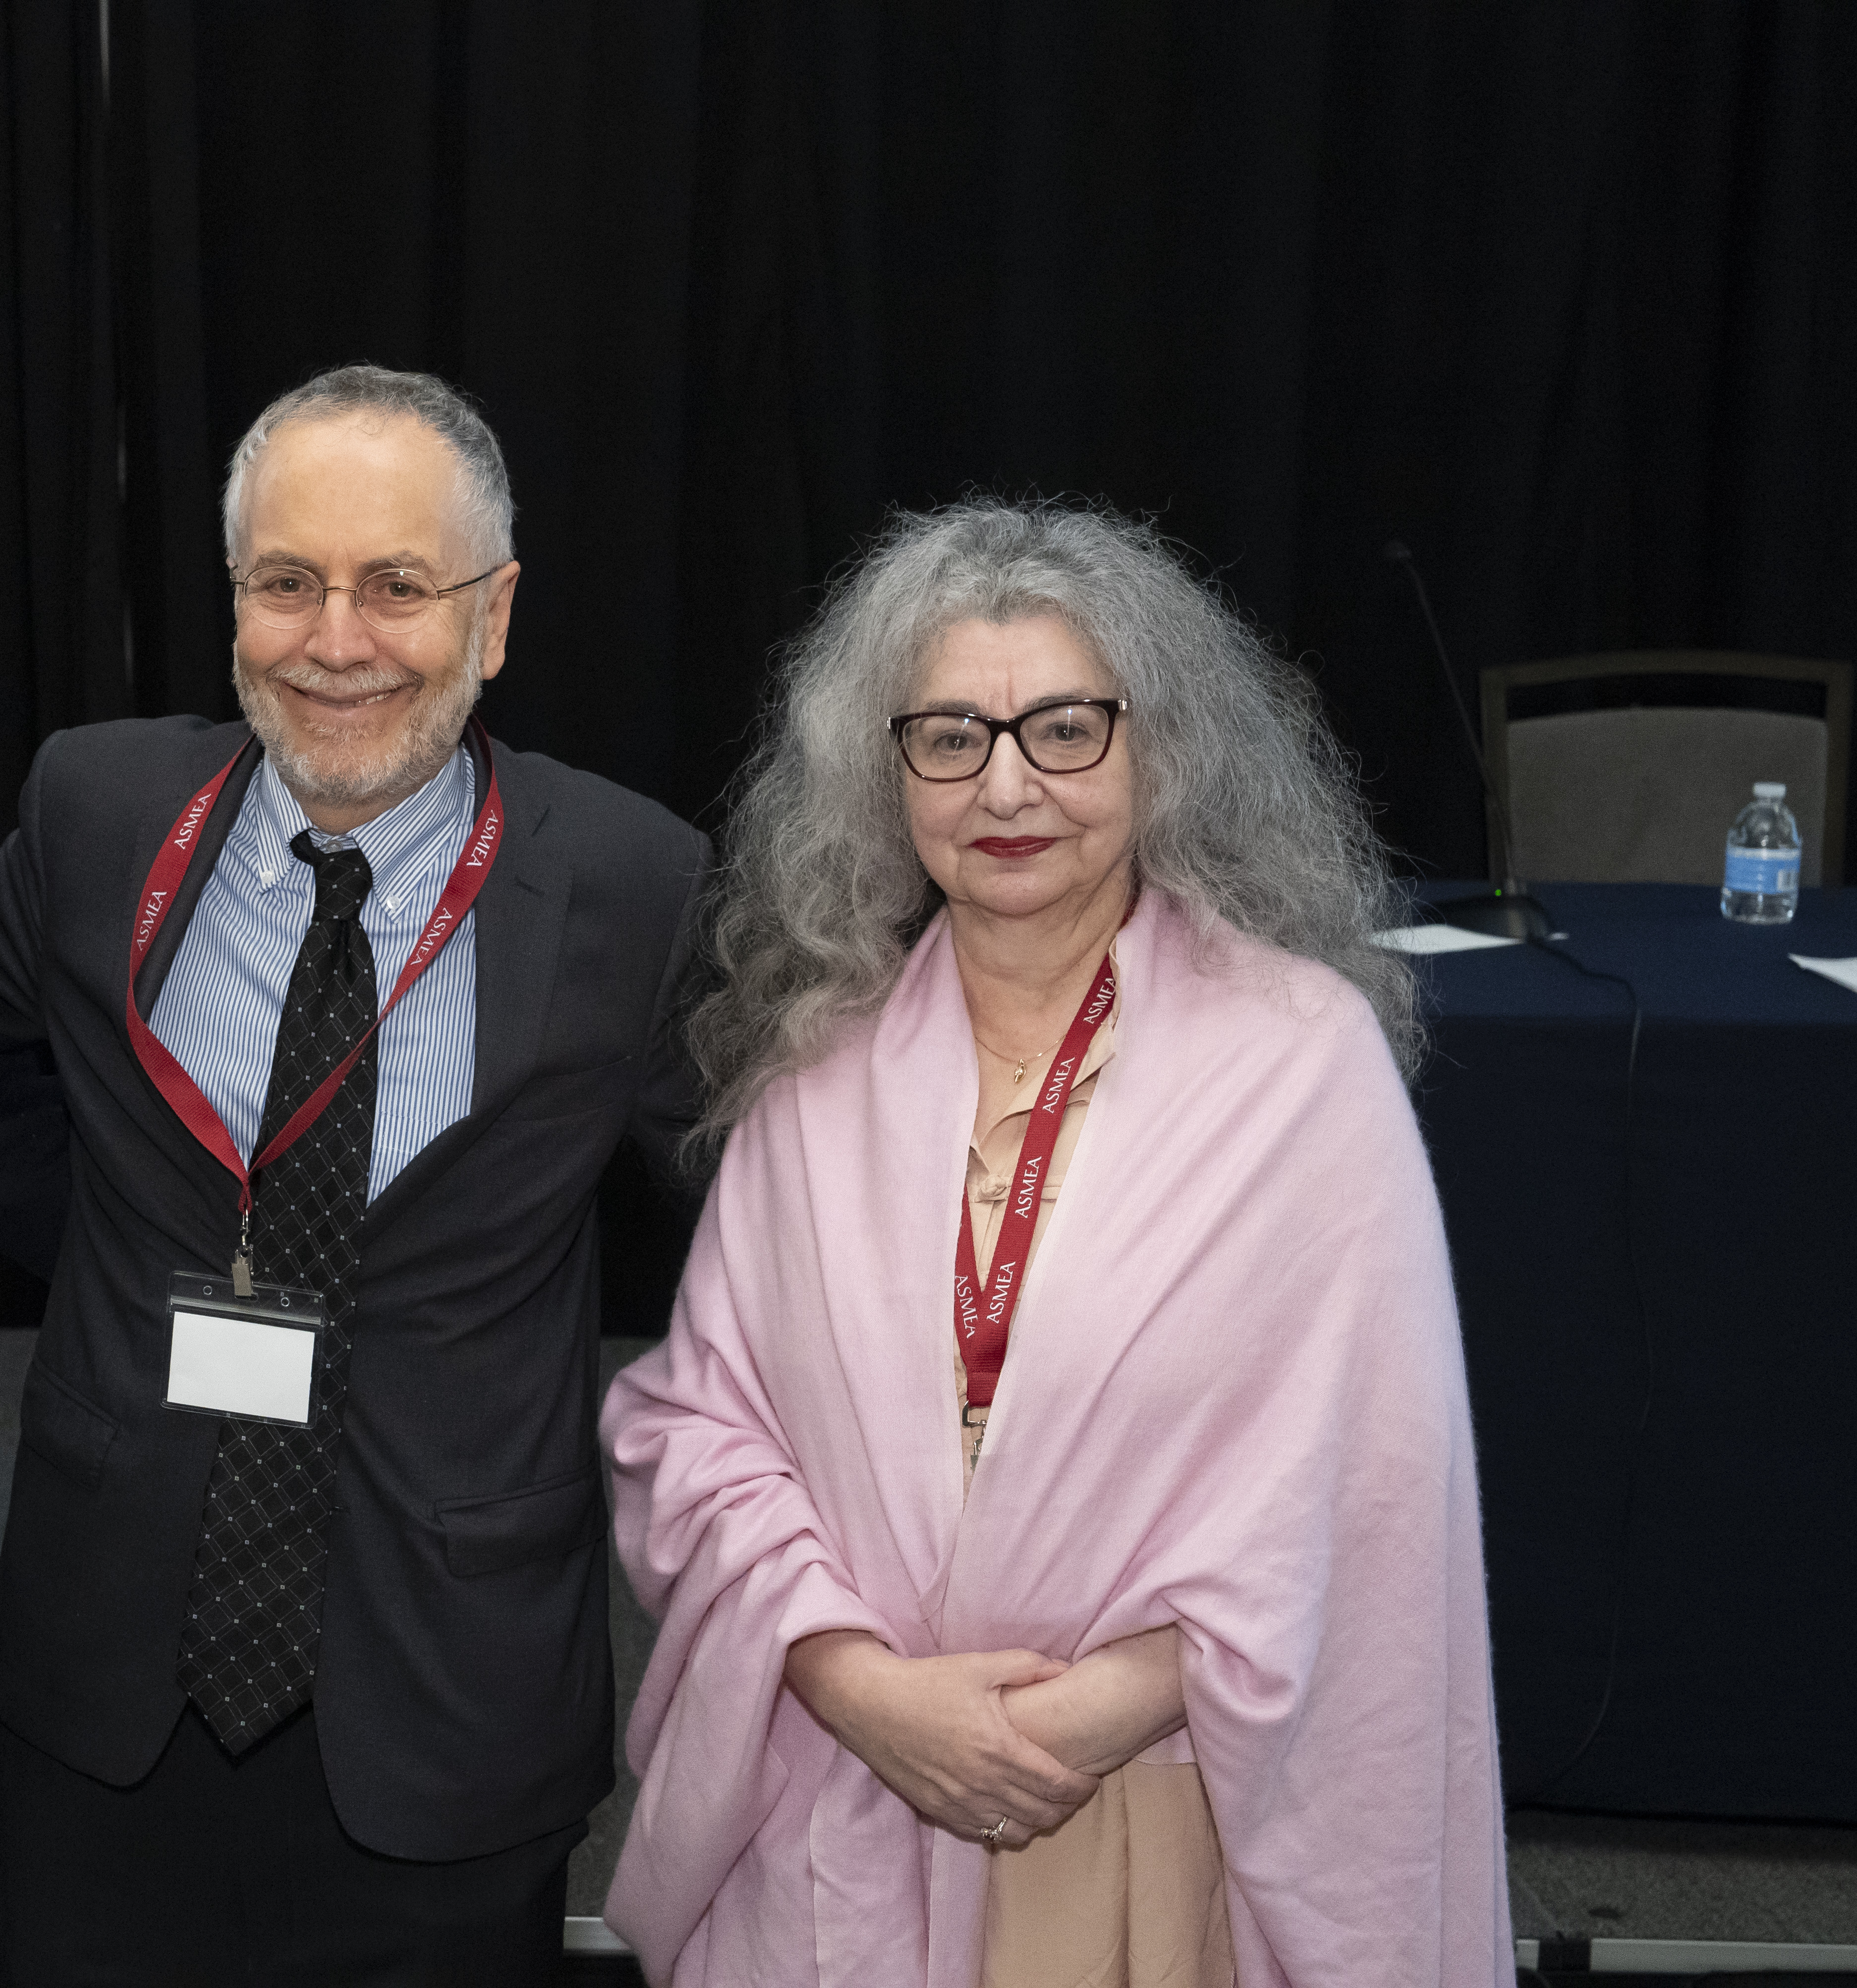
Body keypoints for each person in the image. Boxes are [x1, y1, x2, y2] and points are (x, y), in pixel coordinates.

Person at [601, 500, 1511, 1985]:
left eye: (1066, 729)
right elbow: (695, 1439)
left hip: (1156, 1814)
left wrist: (1074, 1722)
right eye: (951, 736)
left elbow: (1373, 1498)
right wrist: (858, 1686)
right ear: (884, 774)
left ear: (1162, 749)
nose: (1008, 785)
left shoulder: (1299, 1063)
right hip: (854, 1807)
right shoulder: (815, 1076)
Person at [0, 364, 708, 1985]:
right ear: (233, 600)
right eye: (286, 582)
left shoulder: (634, 885)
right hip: (112, 1677)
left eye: (398, 587)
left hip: (448, 1690)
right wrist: (108, 1248)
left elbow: (772, 1215)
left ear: (496, 617)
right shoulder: (92, 811)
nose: (338, 639)